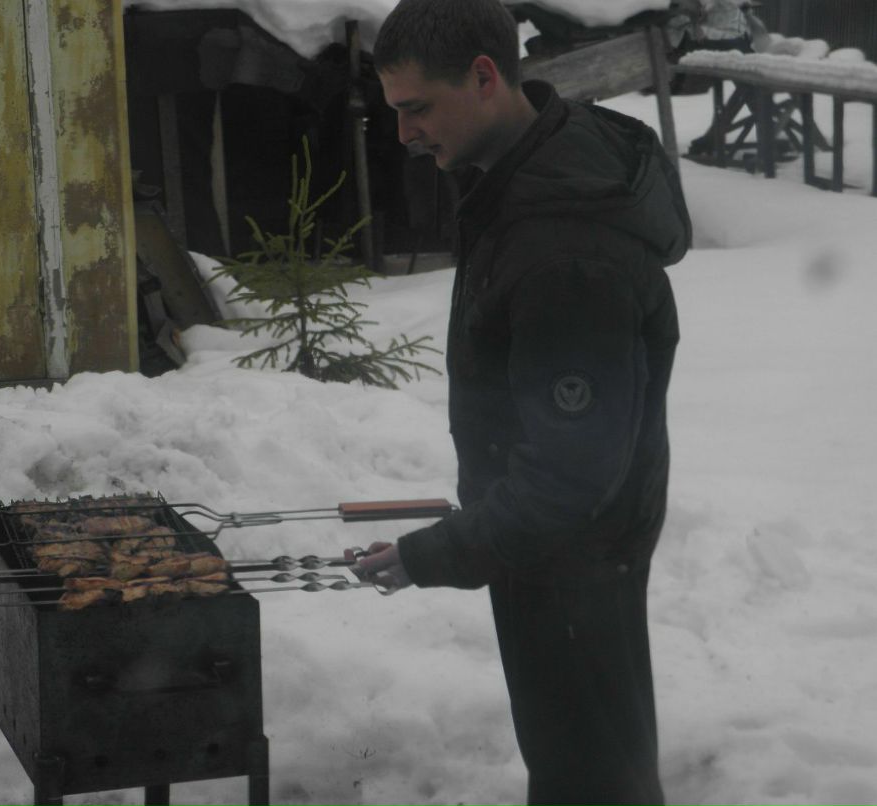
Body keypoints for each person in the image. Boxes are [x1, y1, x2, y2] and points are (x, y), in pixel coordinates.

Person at [345, 1, 691, 804]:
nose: (404, 134)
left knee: (591, 779)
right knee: (585, 765)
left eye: (417, 108)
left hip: (571, 552)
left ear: (486, 77)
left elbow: (571, 474)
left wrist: (440, 551)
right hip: (551, 547)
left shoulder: (563, 247)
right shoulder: (528, 179)